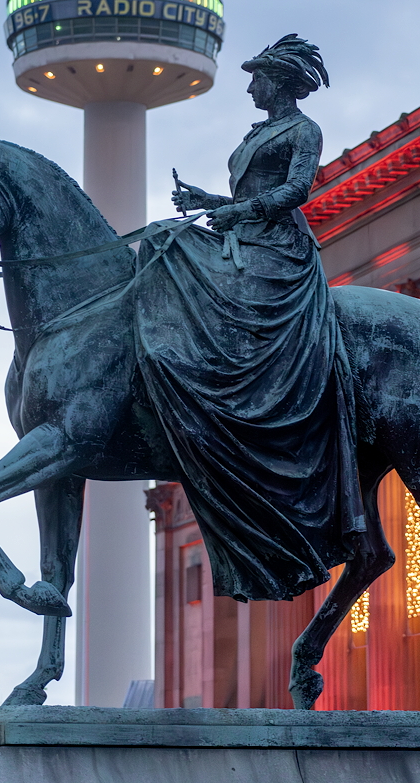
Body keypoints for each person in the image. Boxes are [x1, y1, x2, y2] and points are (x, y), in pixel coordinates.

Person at [134, 34, 365, 603]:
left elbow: (296, 190)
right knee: (161, 239)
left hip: (279, 248)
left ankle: (207, 369)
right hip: (244, 236)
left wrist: (239, 212)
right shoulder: (256, 134)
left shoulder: (303, 131)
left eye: (256, 77)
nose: (249, 87)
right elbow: (249, 193)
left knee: (164, 244)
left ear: (279, 82)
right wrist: (208, 202)